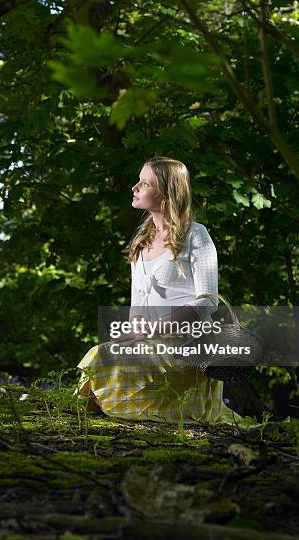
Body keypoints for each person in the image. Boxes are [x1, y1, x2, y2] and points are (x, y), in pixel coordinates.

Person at [74, 156, 241, 425]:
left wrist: (152, 330)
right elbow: (138, 306)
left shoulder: (196, 235)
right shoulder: (141, 241)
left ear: (166, 193)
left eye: (144, 183)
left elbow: (208, 302)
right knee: (102, 352)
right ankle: (104, 411)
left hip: (189, 345)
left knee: (98, 357)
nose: (135, 187)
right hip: (152, 344)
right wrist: (132, 336)